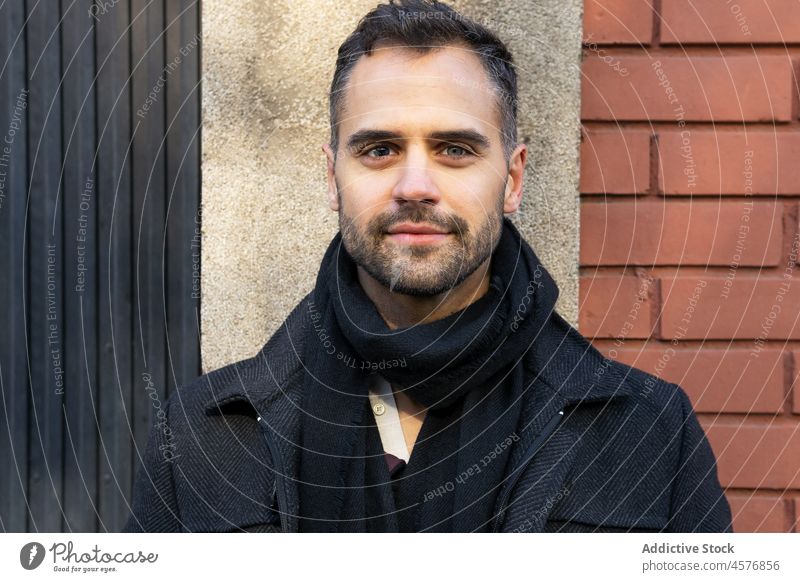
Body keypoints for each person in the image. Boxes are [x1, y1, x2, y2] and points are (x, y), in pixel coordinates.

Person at [123, 0, 732, 533]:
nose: (416, 185)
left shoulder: (646, 434)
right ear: (333, 177)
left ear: (513, 178)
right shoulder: (210, 437)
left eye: (456, 150)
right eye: (380, 149)